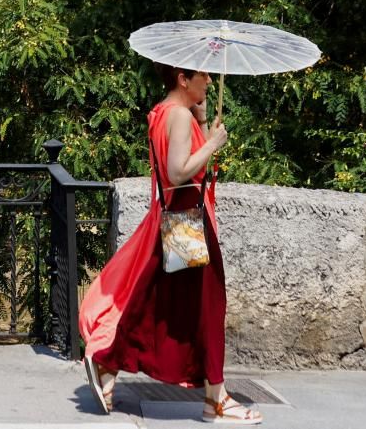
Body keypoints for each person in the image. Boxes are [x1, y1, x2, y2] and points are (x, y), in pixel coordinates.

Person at [77, 64, 263, 424]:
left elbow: (189, 164)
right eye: (203, 75)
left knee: (168, 304)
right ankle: (216, 399)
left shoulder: (165, 112)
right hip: (187, 219)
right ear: (183, 79)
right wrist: (213, 143)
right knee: (206, 307)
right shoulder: (178, 116)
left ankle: (109, 363)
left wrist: (203, 122)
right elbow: (178, 172)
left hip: (177, 217)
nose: (209, 80)